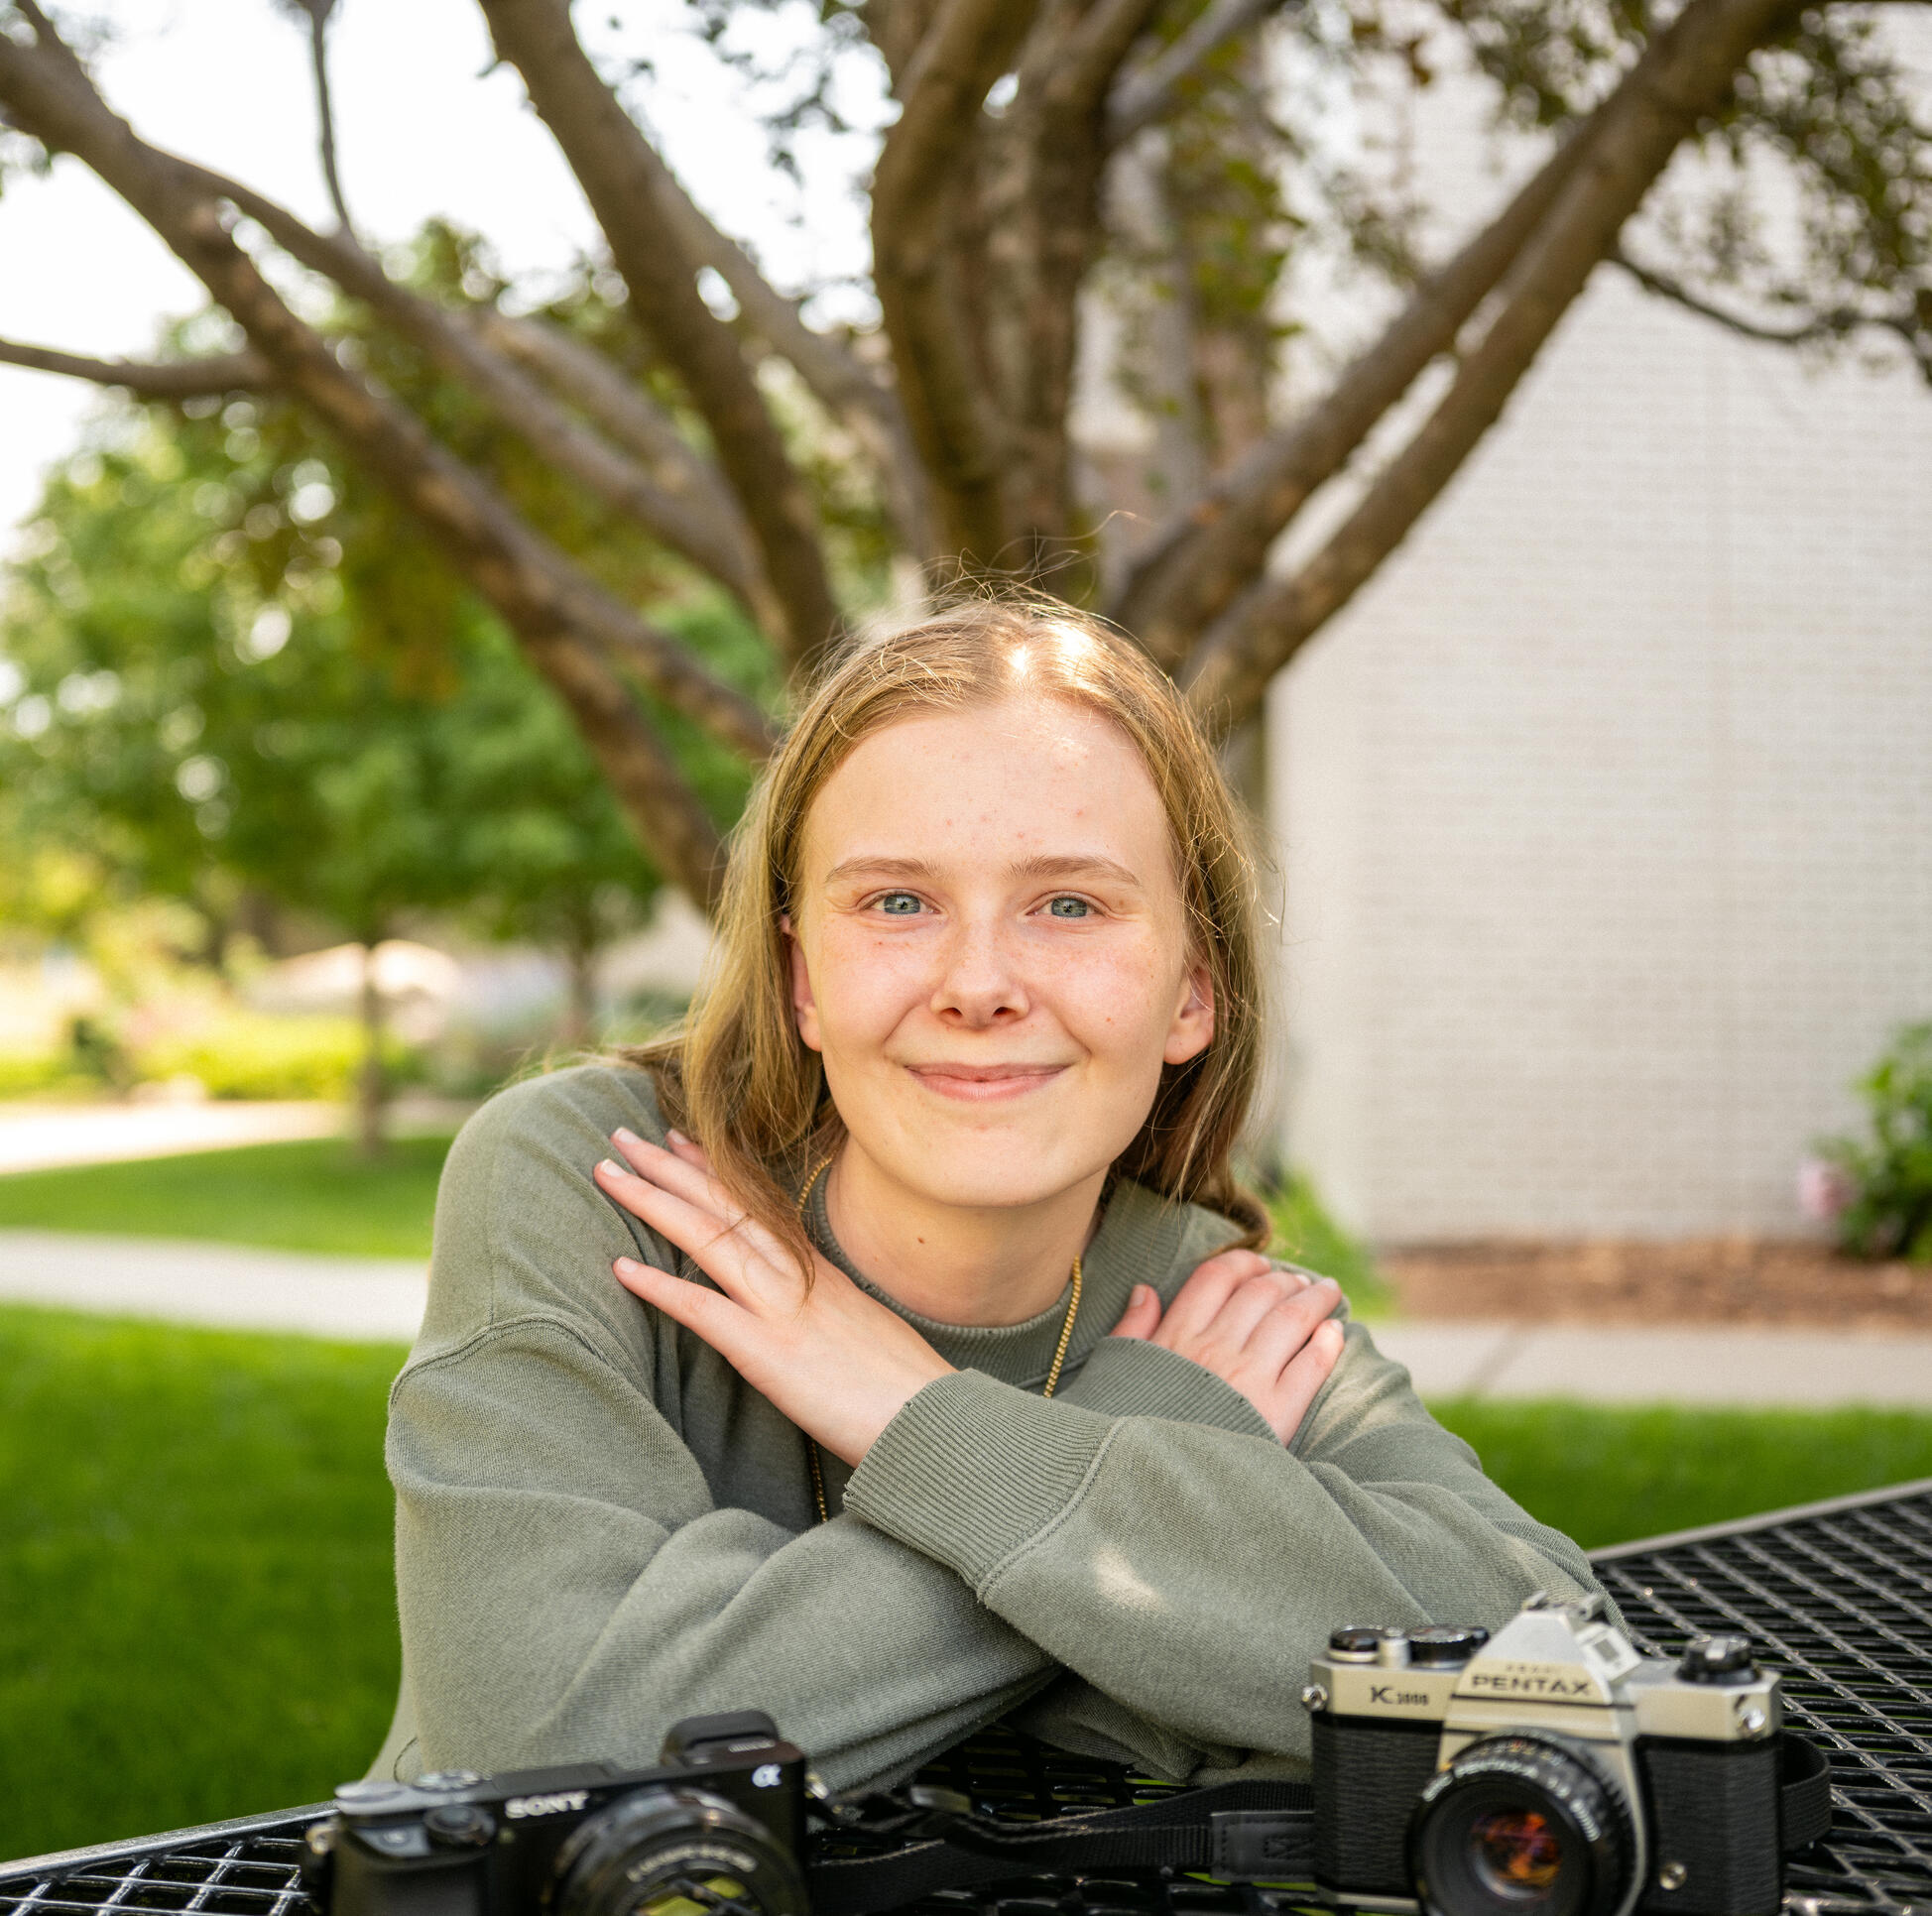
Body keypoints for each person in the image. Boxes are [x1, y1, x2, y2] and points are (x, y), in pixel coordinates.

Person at [369, 598, 1601, 1792]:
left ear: (1192, 991)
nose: (977, 983)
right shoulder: (598, 1183)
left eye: (1068, 904)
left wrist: (914, 1418)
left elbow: (1559, 1665)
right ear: (802, 979)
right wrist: (1160, 1449)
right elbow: (545, 1735)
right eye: (897, 902)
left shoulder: (1217, 1303)